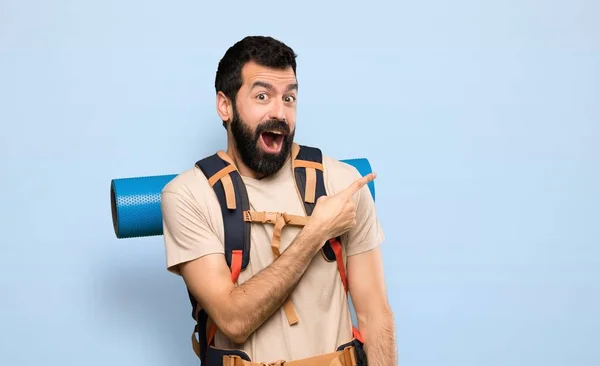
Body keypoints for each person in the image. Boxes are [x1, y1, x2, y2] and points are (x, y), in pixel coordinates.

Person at [160, 35, 397, 365]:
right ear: (224, 106)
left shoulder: (340, 183)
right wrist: (315, 233)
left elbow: (376, 316)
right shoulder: (187, 196)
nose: (280, 112)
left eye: (289, 98)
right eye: (262, 96)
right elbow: (233, 320)